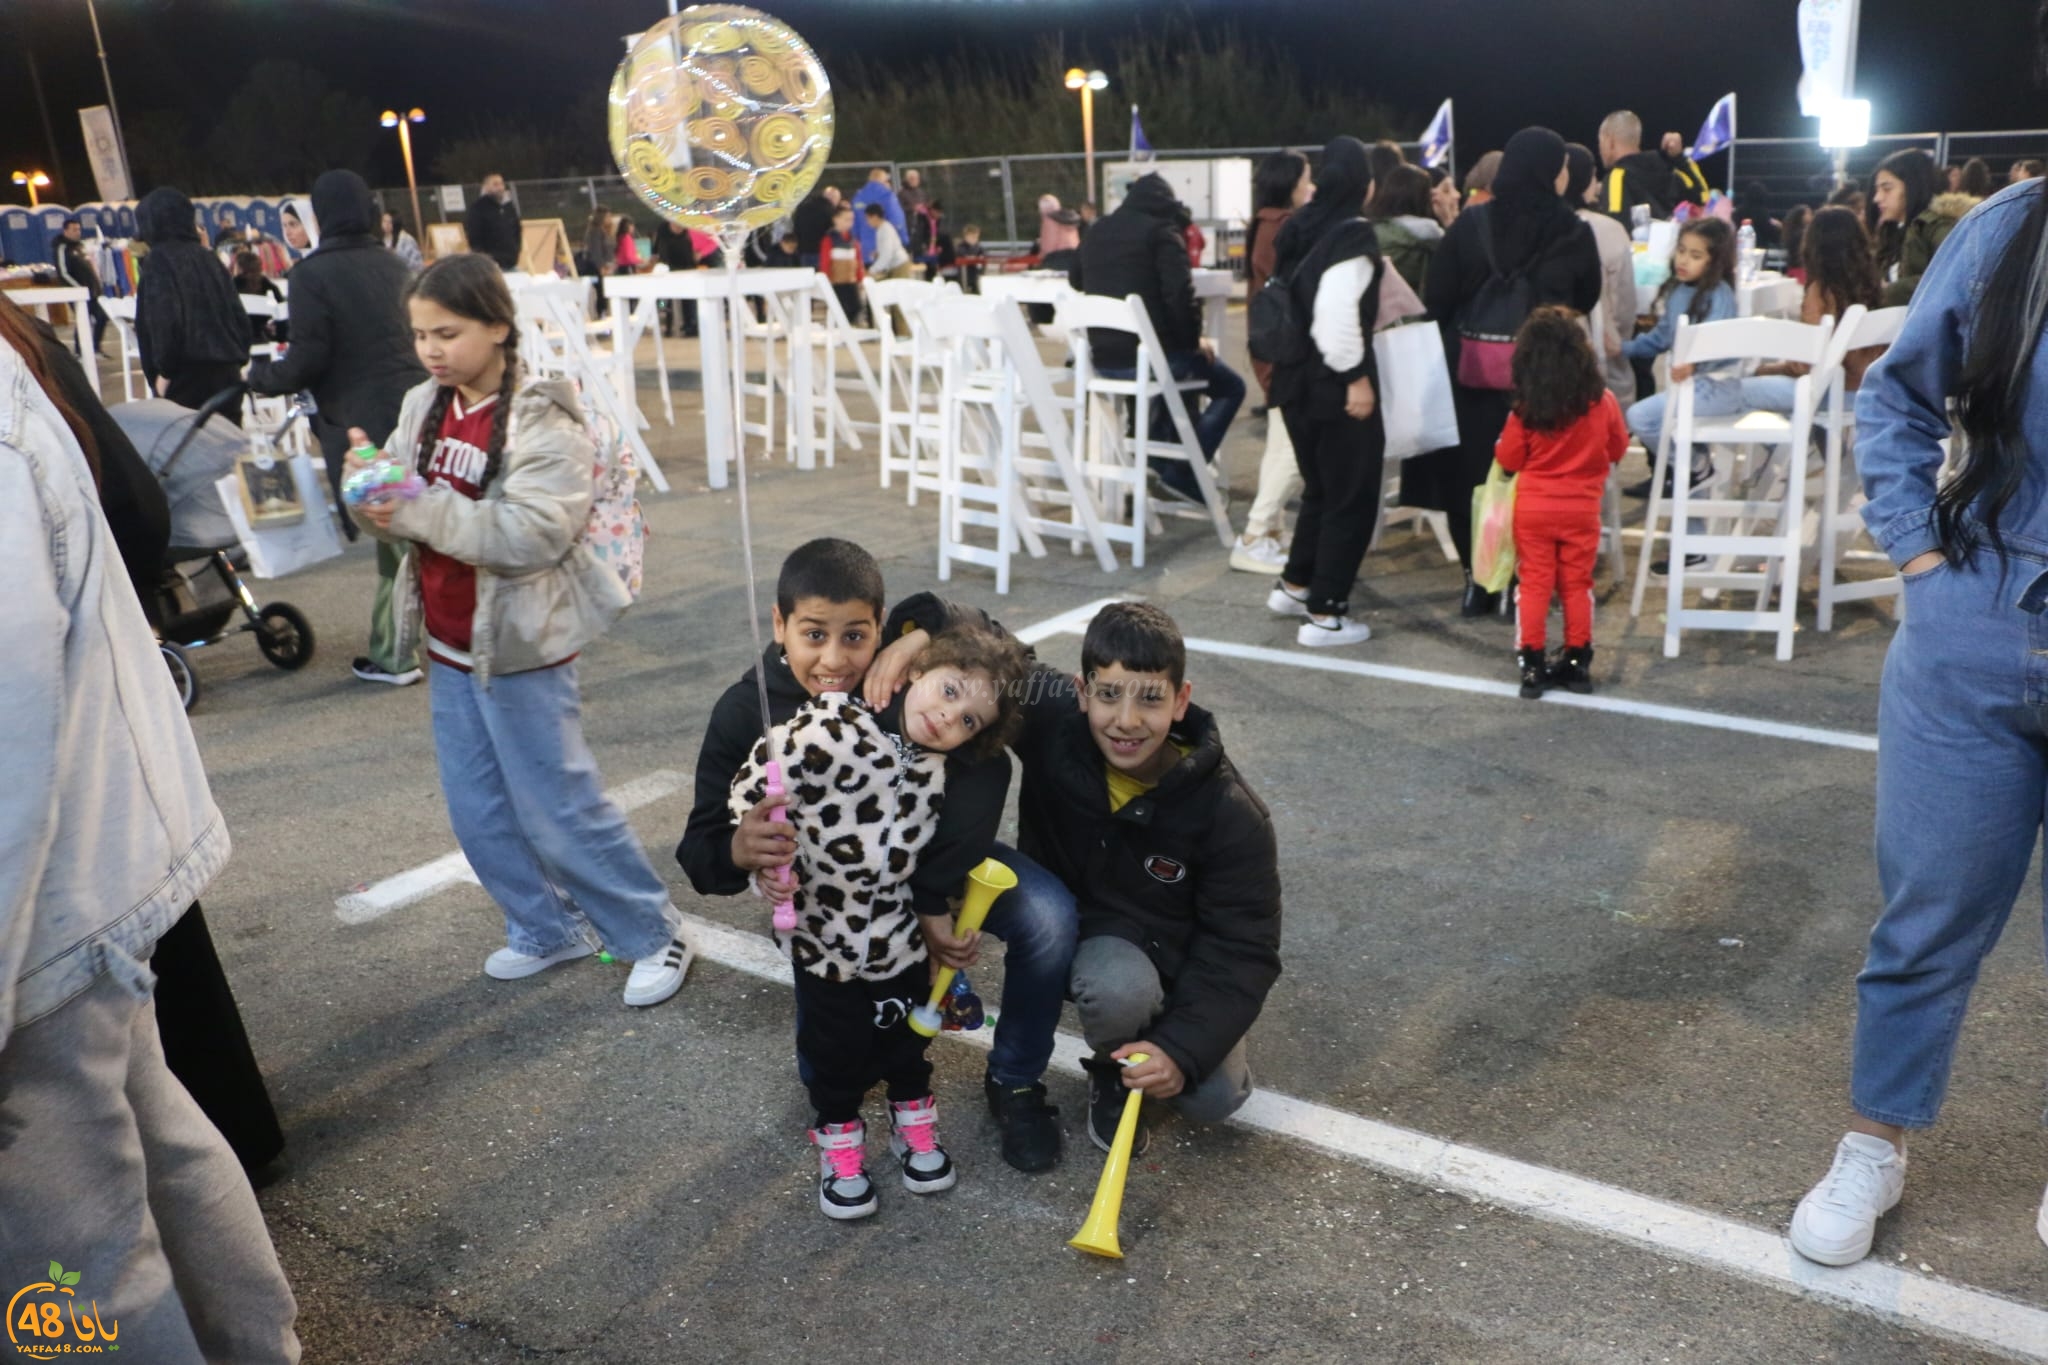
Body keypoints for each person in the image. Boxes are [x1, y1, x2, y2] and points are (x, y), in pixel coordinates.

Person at [1, 292, 304, 1363]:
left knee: (67, 1262)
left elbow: (5, 723)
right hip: (91, 861)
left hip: (39, 905)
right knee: (156, 1146)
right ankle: (257, 1343)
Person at [1789, 61, 2048, 1265]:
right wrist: (1920, 563)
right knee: (1924, 910)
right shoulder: (2005, 233)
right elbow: (1894, 402)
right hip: (1979, 616)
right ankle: (1873, 1146)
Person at [345, 253, 693, 1008]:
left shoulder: (541, 413)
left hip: (523, 644)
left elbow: (531, 532)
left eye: (448, 331)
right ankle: (544, 926)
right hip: (448, 639)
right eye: (420, 334)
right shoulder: (421, 404)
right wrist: (367, 485)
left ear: (499, 326)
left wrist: (408, 506)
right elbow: (400, 502)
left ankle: (650, 930)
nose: (432, 349)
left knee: (559, 805)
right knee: (477, 806)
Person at [677, 539, 1070, 1174]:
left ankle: (1018, 1079)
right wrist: (736, 848)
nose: (835, 660)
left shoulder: (905, 670)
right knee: (840, 1063)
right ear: (779, 626)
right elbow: (697, 853)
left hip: (931, 862)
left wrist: (928, 631)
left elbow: (1010, 657)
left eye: (856, 636)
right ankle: (847, 1116)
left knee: (1048, 917)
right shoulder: (748, 709)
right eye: (812, 635)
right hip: (829, 902)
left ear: (880, 629)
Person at [731, 628, 1028, 1220]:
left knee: (906, 1045)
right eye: (947, 691)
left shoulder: (939, 776)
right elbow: (753, 790)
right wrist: (764, 859)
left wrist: (935, 924)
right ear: (914, 670)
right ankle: (838, 1140)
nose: (948, 717)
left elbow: (930, 867)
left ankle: (911, 1119)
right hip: (822, 940)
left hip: (899, 942)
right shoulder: (827, 726)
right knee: (834, 1048)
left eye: (969, 720)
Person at [1010, 603, 1280, 1155]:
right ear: (1082, 692)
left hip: (1182, 957)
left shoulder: (1232, 813)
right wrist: (911, 637)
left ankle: (1161, 1039)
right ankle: (1113, 1067)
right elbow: (982, 647)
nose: (1127, 719)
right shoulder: (1054, 718)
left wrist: (1180, 1050)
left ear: (1181, 701)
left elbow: (1244, 948)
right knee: (1118, 988)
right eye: (1109, 694)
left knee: (1215, 1099)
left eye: (1151, 698)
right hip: (1102, 942)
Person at [249, 169, 431, 688]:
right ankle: (449, 633)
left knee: (393, 535)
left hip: (363, 422)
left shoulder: (311, 273)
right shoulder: (394, 264)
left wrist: (260, 377)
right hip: (417, 408)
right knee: (426, 523)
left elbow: (310, 357)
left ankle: (394, 655)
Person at [1420, 127, 1602, 616]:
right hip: (1548, 382)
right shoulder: (1574, 230)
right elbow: (1586, 299)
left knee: (1475, 480)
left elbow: (1435, 298)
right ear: (1549, 172)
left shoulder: (1471, 225)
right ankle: (1532, 581)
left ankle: (1479, 580)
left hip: (1474, 374)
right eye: (1562, 167)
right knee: (1544, 482)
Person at [1264, 136, 1386, 649]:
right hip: (1331, 384)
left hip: (1291, 381)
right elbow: (1336, 318)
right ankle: (1326, 613)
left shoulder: (1300, 227)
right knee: (1350, 496)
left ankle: (1295, 585)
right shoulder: (1352, 234)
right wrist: (1356, 378)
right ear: (1365, 184)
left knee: (1319, 488)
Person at [1069, 172, 1246, 502]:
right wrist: (1193, 342)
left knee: (1165, 383)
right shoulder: (1162, 232)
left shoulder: (1097, 230)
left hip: (1104, 362)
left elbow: (1076, 281)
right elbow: (1180, 297)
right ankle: (1183, 474)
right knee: (1231, 387)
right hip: (1151, 362)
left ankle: (1157, 462)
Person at [1494, 306, 1630, 698]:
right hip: (1582, 510)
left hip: (1534, 510)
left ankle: (1532, 662)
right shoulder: (1601, 402)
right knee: (1576, 585)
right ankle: (1576, 660)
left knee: (1534, 584)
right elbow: (1618, 447)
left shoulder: (1527, 410)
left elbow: (1509, 459)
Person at [1619, 218, 1741, 530]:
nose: (1684, 260)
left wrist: (1695, 365)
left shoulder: (1720, 294)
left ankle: (1695, 465)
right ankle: (1693, 467)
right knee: (1651, 421)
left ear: (1715, 261)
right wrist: (1621, 348)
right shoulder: (1678, 292)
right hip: (1691, 387)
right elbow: (1660, 338)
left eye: (1696, 255)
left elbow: (1722, 344)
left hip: (1716, 387)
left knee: (1642, 417)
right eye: (1682, 251)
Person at [1232, 150, 1314, 576]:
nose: (1311, 186)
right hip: (1283, 351)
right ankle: (1253, 534)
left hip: (1268, 346)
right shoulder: (1282, 228)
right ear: (1290, 183)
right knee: (1296, 450)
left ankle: (1268, 536)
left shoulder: (1263, 223)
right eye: (1306, 178)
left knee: (1281, 445)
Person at [1747, 205, 1887, 408]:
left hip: (1830, 392)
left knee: (1739, 390)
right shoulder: (1874, 287)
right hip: (1868, 391)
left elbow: (1806, 363)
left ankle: (1785, 440)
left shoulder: (1821, 292)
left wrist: (1764, 369)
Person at [134, 185, 252, 426]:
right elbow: (238, 316)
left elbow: (164, 321)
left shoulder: (158, 260)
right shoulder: (208, 258)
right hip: (226, 373)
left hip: (185, 376)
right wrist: (237, 358)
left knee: (189, 454)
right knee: (228, 449)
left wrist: (164, 373)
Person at [1567, 142, 1639, 406]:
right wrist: (1619, 341)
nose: (1597, 185)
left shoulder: (1533, 226)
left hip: (1545, 365)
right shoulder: (1609, 229)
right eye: (1593, 177)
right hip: (1602, 366)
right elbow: (1625, 305)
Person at [1871, 149, 1975, 307]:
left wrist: (1889, 292)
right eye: (1877, 189)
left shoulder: (1940, 226)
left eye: (1887, 189)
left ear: (1913, 187)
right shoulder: (1894, 232)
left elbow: (1953, 277)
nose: (1877, 198)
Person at [1597, 111, 1689, 224]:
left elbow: (1615, 227)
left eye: (1600, 143)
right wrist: (1680, 159)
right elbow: (1703, 198)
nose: (1600, 151)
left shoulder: (1617, 178)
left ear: (1610, 142)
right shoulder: (1669, 170)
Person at [1369, 164, 1444, 294]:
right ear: (1423, 197)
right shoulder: (1429, 230)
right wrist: (1447, 220)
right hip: (1412, 304)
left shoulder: (1373, 229)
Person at [51, 214, 109, 353]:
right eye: (74, 230)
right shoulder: (62, 248)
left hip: (92, 291)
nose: (78, 232)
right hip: (77, 292)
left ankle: (95, 348)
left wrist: (96, 284)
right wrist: (79, 288)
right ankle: (80, 350)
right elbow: (63, 272)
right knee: (84, 319)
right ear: (66, 231)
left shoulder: (79, 246)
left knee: (102, 316)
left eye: (79, 229)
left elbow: (89, 266)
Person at [818, 202, 866, 327]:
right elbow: (825, 262)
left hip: (851, 281)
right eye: (846, 219)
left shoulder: (853, 240)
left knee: (857, 307)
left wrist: (861, 278)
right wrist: (826, 281)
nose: (849, 223)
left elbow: (858, 261)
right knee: (839, 309)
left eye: (851, 220)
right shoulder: (829, 239)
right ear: (836, 219)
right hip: (836, 282)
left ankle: (848, 328)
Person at [651, 217, 701, 337]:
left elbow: (692, 251)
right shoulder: (663, 230)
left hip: (687, 269)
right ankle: (665, 318)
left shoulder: (688, 232)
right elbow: (657, 250)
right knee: (664, 299)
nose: (679, 228)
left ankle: (690, 324)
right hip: (668, 271)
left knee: (689, 299)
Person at [465, 173, 523, 270]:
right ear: (486, 187)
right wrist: (483, 257)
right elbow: (474, 235)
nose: (500, 187)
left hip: (511, 261)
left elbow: (517, 229)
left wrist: (516, 250)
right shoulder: (478, 208)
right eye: (495, 184)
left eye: (501, 184)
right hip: (490, 265)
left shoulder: (508, 206)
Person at [851, 168, 908, 266]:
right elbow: (897, 220)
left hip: (866, 249)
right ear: (884, 180)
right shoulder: (887, 196)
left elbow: (854, 225)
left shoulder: (858, 197)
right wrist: (904, 240)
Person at [791, 185, 841, 269]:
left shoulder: (803, 207)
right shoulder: (830, 212)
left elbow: (796, 228)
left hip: (804, 251)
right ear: (834, 198)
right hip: (822, 252)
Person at [1037, 193, 1083, 260]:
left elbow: (1049, 247)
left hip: (1056, 260)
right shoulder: (1070, 220)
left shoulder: (1049, 221)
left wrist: (1041, 256)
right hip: (1074, 258)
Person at [1781, 205, 1815, 283]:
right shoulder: (1802, 234)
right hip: (1801, 269)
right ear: (1801, 216)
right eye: (1809, 213)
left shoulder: (1791, 233)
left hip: (1793, 268)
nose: (1812, 216)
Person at [955, 222, 987, 293]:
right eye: (973, 237)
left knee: (976, 287)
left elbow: (983, 254)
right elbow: (962, 254)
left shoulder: (978, 247)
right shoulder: (961, 246)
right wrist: (969, 257)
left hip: (975, 273)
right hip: (965, 273)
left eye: (976, 237)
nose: (975, 239)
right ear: (966, 236)